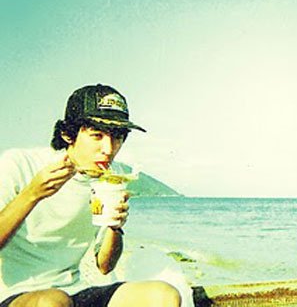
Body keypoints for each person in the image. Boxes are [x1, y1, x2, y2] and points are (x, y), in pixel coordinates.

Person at [0, 84, 182, 307]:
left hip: (76, 291)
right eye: (97, 135)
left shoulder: (109, 178)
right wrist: (32, 194)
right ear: (68, 134)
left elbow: (105, 266)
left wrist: (115, 226)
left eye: (117, 137)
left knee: (163, 295)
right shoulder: (20, 165)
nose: (109, 149)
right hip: (18, 295)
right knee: (52, 301)